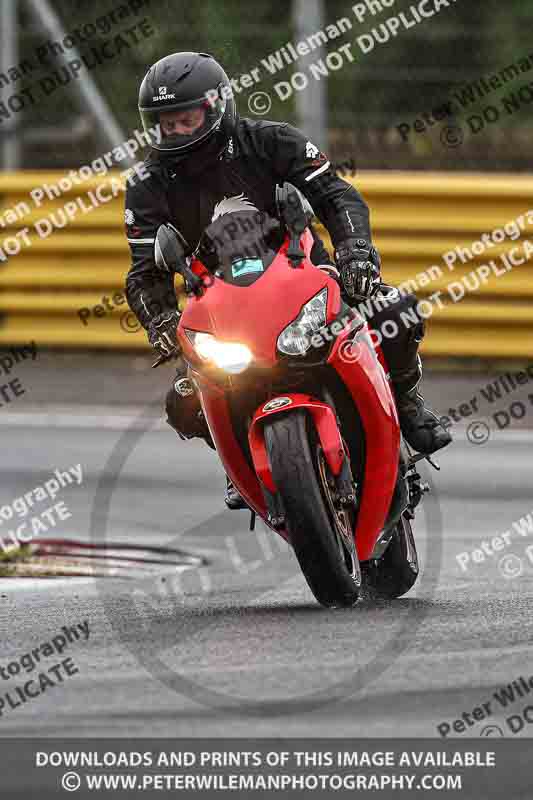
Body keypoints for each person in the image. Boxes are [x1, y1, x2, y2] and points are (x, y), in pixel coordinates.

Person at [124, 51, 451, 509]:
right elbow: (144, 272)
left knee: (396, 310)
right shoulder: (147, 184)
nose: (174, 131)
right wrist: (160, 322)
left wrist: (356, 252)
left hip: (310, 282)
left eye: (186, 119)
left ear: (217, 107)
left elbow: (336, 194)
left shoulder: (270, 140)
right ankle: (236, 459)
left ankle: (407, 400)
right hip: (224, 313)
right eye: (164, 123)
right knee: (183, 402)